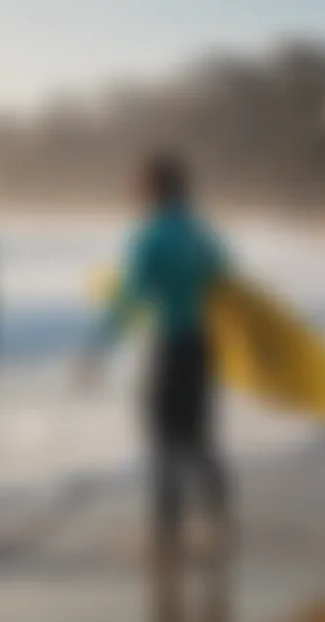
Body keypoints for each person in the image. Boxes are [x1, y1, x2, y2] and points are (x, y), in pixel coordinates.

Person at [82, 153, 230, 552]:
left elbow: (130, 299)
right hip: (202, 345)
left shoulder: (150, 236)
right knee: (200, 437)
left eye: (138, 187)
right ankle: (218, 523)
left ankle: (168, 532)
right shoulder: (201, 233)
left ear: (151, 189)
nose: (133, 194)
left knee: (163, 441)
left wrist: (97, 349)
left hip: (167, 345)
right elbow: (225, 282)